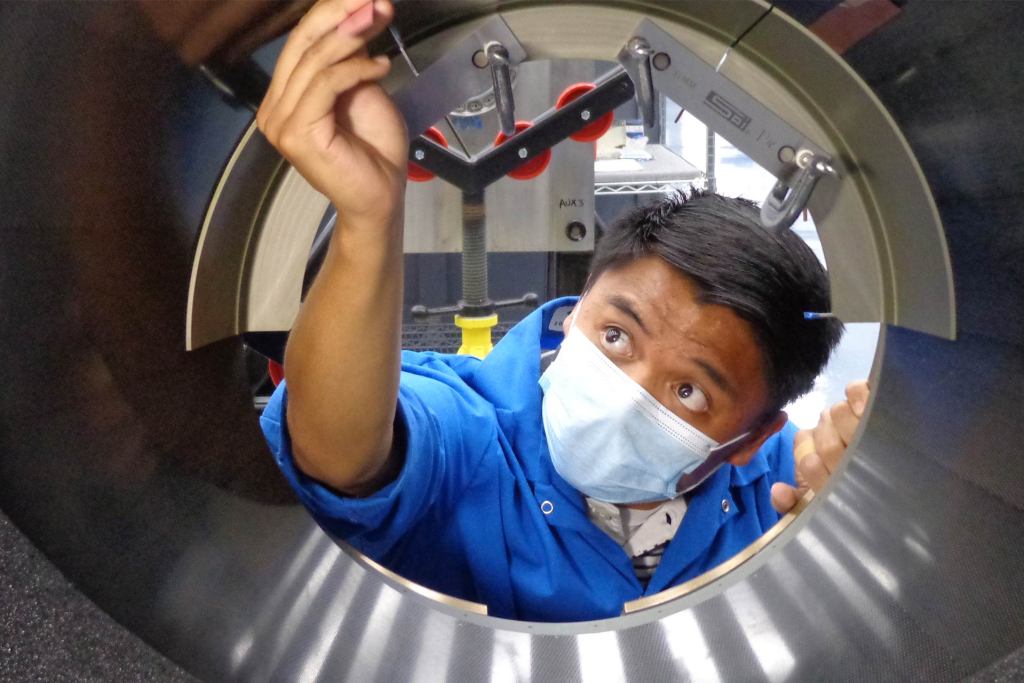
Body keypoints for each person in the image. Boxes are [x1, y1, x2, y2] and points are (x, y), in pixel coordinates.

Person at [256, 0, 870, 622]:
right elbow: (340, 458)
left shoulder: (790, 482)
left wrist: (853, 510)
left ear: (751, 438)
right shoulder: (467, 435)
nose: (629, 393)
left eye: (688, 392)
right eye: (616, 335)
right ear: (576, 311)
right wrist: (366, 219)